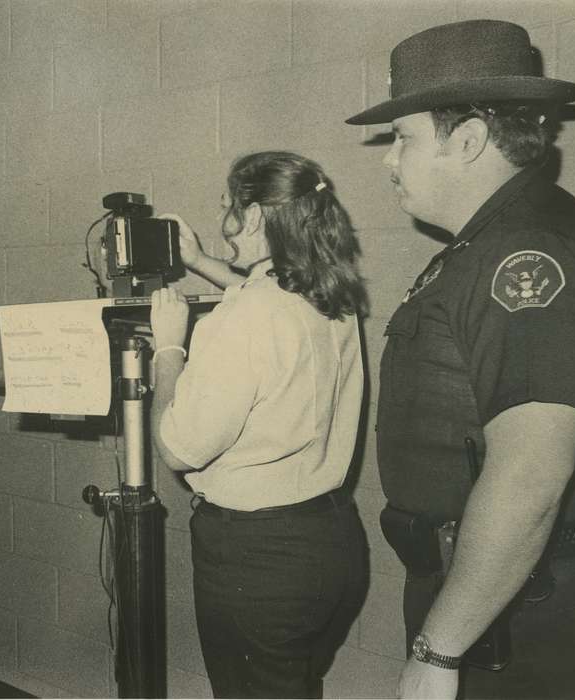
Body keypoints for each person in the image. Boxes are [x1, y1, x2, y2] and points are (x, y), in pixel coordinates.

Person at [345, 19, 575, 699]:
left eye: (403, 137)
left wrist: (440, 649)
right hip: (487, 594)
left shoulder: (524, 254)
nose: (388, 160)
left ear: (471, 139)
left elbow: (531, 473)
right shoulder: (483, 246)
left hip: (518, 615)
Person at [149, 151, 369, 698]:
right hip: (331, 541)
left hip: (257, 556)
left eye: (227, 207)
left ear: (252, 217)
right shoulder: (332, 294)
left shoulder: (244, 317)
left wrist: (169, 347)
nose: (223, 221)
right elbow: (263, 301)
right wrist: (200, 261)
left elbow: (178, 448)